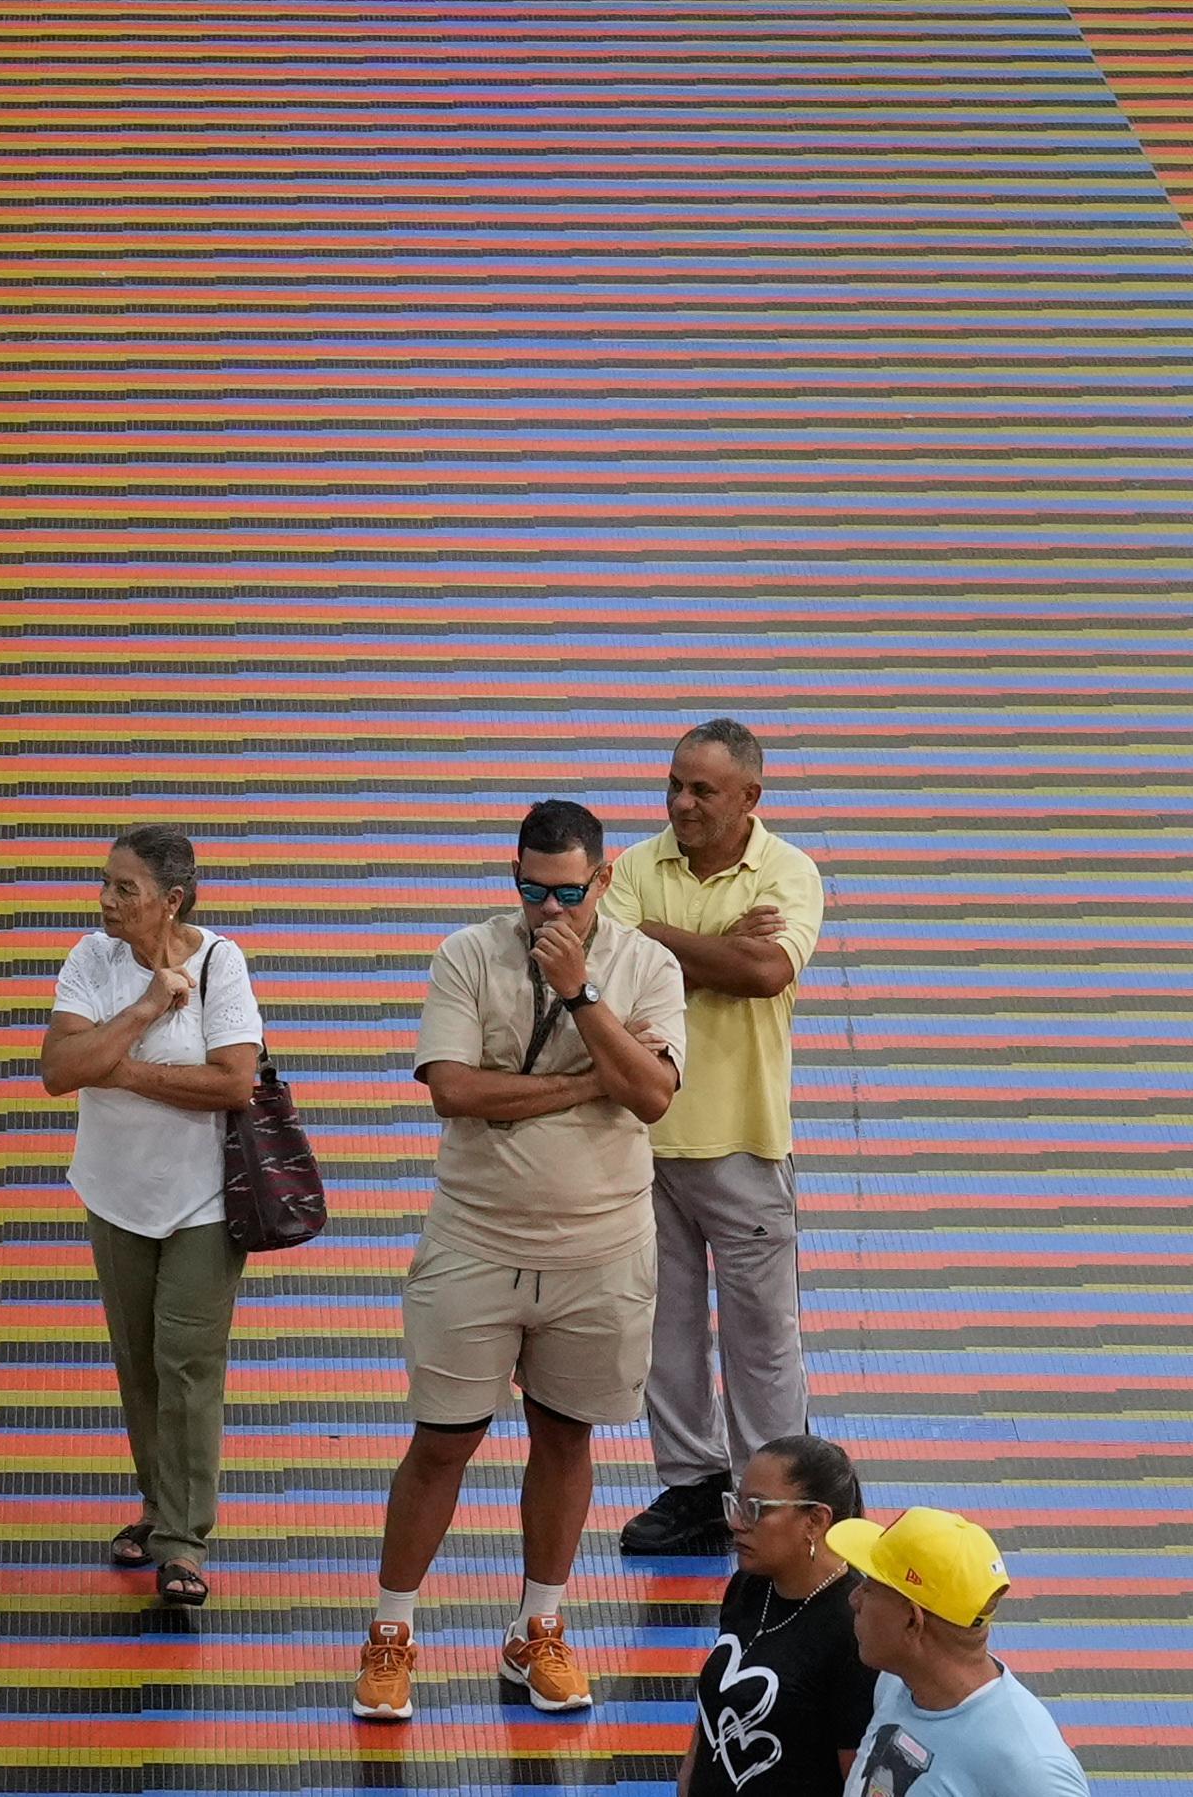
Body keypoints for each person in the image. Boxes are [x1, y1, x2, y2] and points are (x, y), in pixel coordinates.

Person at [357, 797, 685, 1727]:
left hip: (601, 1250)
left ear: (603, 880)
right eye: (532, 890)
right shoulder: (466, 955)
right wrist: (585, 1083)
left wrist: (581, 994)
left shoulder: (647, 966)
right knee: (442, 1442)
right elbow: (453, 1092)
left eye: (567, 893)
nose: (548, 910)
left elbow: (652, 1096)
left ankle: (538, 1629)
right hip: (476, 1240)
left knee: (566, 1439)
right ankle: (390, 1633)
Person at [615, 721, 832, 1561]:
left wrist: (656, 943)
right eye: (674, 784)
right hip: (640, 1140)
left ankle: (776, 1501)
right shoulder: (634, 867)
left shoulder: (788, 872)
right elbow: (605, 972)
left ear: (749, 798)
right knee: (661, 1332)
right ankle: (693, 1487)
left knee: (761, 1339)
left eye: (702, 790)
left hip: (743, 1141)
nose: (681, 803)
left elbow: (764, 973)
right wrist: (715, 949)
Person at [40, 825, 264, 1620]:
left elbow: (233, 1084)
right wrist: (142, 1009)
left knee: (187, 1364)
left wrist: (118, 1068)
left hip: (203, 1200)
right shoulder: (90, 960)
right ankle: (159, 1504)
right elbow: (58, 1071)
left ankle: (183, 1542)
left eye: (124, 889)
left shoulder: (221, 964)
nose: (105, 900)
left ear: (170, 900)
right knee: (138, 1365)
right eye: (104, 883)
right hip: (114, 1195)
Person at [823, 1503, 1095, 1795]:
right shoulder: (898, 1683)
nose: (854, 1599)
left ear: (912, 1620)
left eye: (869, 1588)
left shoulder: (1031, 1771)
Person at [682, 1433, 873, 1797]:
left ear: (815, 1520)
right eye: (736, 1503)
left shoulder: (856, 1627)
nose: (736, 1522)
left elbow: (857, 1778)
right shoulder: (750, 1585)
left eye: (757, 1508)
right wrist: (690, 1775)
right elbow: (719, 1695)